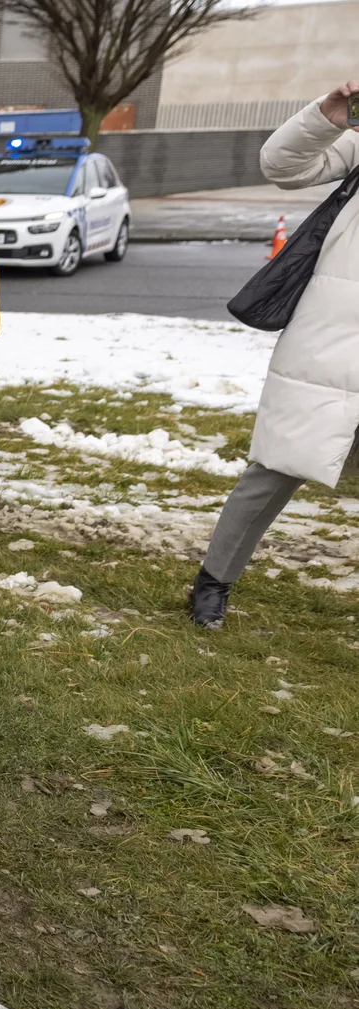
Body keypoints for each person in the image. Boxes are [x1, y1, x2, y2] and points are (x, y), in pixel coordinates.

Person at [189, 81, 359, 629]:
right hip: (334, 346)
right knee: (273, 472)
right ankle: (213, 584)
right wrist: (326, 116)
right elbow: (284, 166)